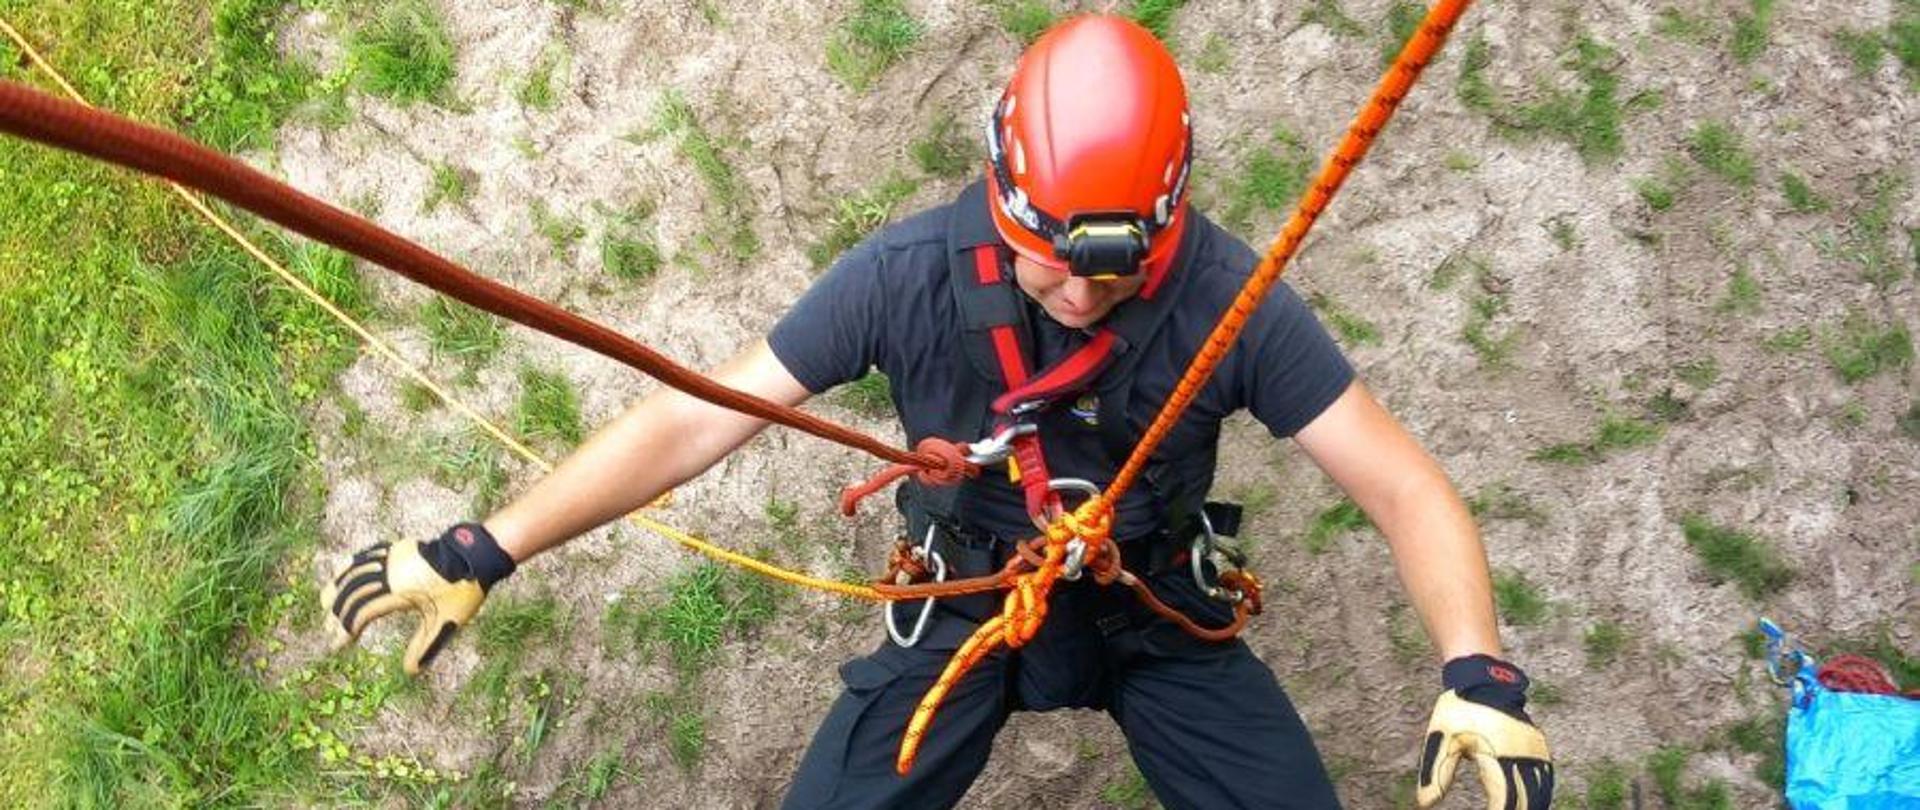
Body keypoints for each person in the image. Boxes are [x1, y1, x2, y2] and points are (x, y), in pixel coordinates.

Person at [323, 14, 1553, 810]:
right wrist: (487, 545)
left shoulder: (1231, 300)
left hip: (1152, 603)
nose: (1081, 297)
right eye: (1051, 264)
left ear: (1166, 225)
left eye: (1114, 274)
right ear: (999, 197)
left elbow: (1402, 486)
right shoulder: (904, 278)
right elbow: (699, 418)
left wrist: (1480, 673)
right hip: (965, 590)